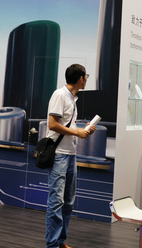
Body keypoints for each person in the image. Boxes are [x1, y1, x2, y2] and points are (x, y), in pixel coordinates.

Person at [45, 64, 95, 248]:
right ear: (81, 78)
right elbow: (52, 124)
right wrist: (77, 133)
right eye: (86, 76)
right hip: (59, 154)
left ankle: (60, 241)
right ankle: (52, 244)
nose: (86, 79)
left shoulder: (72, 98)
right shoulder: (59, 95)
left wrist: (83, 130)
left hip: (70, 154)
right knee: (56, 201)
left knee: (68, 202)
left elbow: (66, 125)